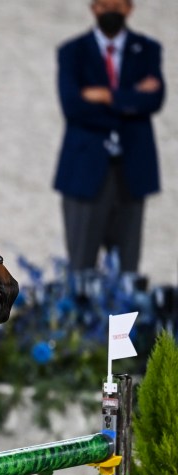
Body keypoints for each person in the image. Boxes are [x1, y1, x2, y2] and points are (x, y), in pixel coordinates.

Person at [53, 0, 165, 274]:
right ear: (93, 8)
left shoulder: (148, 49)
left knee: (127, 271)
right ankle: (79, 319)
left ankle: (124, 320)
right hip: (84, 171)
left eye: (117, 5)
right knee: (81, 270)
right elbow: (73, 107)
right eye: (104, 5)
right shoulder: (73, 51)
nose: (110, 11)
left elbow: (154, 100)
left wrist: (106, 96)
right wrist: (131, 99)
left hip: (132, 171)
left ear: (129, 8)